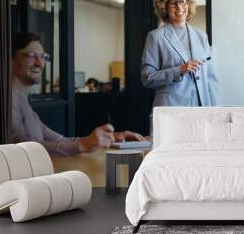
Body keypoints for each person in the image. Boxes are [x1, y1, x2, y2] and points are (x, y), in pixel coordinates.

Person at [11, 32, 146, 156]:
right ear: (9, 59)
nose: (40, 63)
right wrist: (83, 145)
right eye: (31, 55)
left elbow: (61, 141)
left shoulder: (24, 103)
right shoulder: (7, 101)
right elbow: (20, 149)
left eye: (43, 57)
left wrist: (110, 137)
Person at [141, 0, 218, 107]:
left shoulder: (201, 36)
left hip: (201, 107)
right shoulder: (155, 37)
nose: (179, 7)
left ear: (188, 3)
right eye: (173, 3)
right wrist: (180, 70)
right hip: (171, 107)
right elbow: (147, 78)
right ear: (164, 7)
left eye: (182, 1)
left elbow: (211, 78)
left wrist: (215, 110)